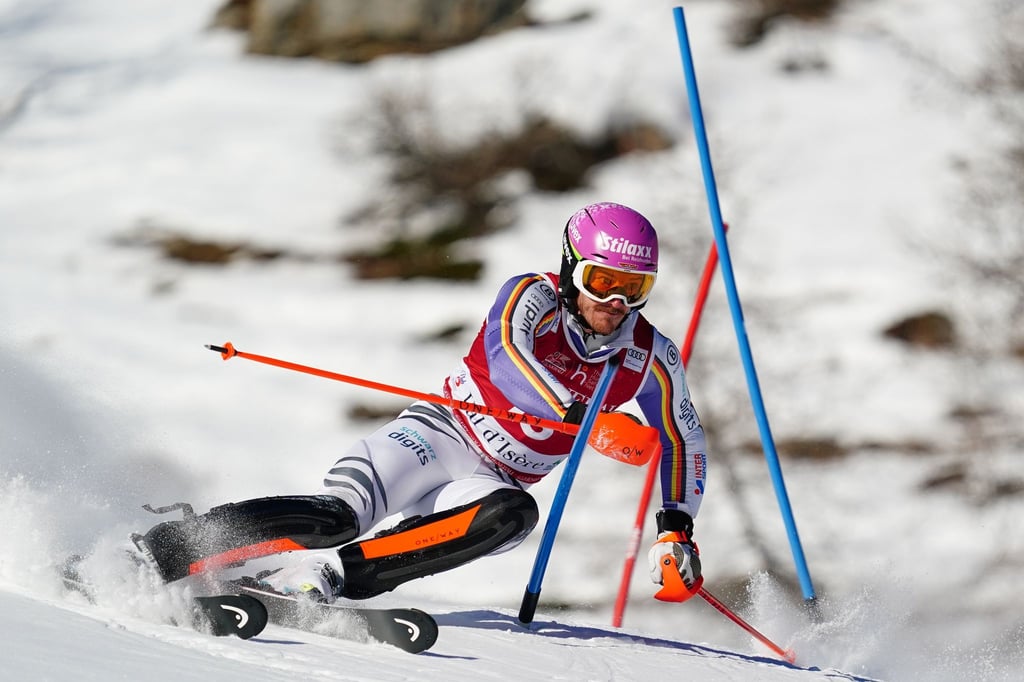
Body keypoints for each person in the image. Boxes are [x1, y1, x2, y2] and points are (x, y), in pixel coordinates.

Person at [137, 202, 709, 604]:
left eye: (633, 288)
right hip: (436, 438)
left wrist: (675, 529)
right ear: (570, 269)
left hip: (492, 480)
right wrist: (583, 418)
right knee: (337, 516)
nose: (614, 301)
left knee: (513, 517)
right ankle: (165, 550)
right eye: (601, 280)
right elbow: (508, 356)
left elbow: (684, 439)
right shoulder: (528, 295)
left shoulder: (649, 354)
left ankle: (331, 576)